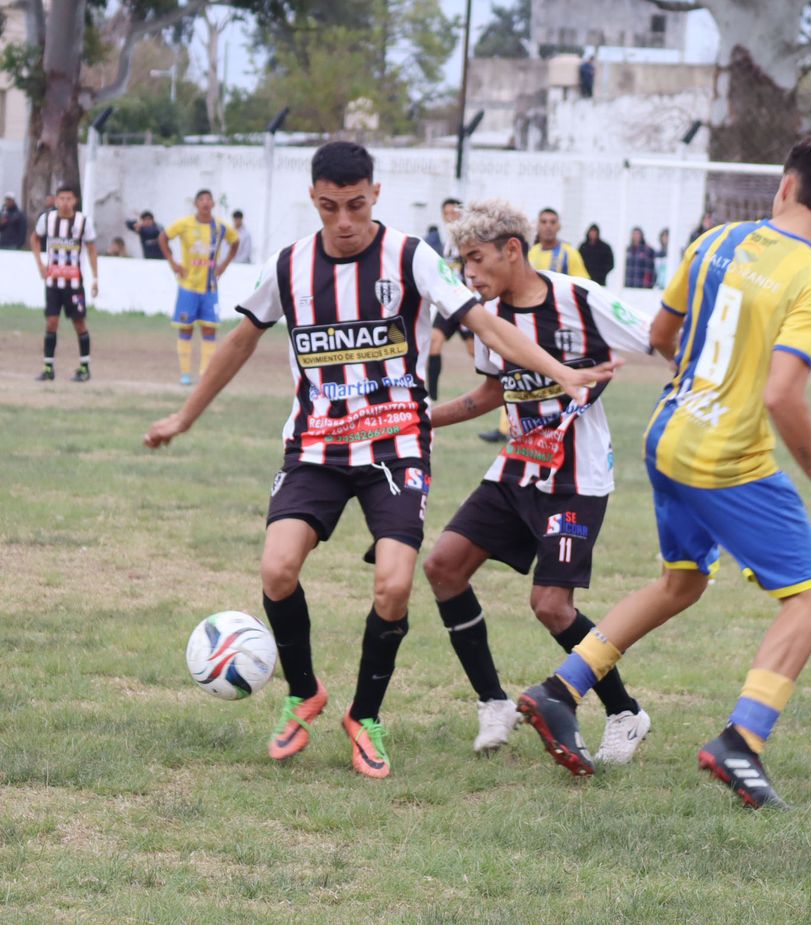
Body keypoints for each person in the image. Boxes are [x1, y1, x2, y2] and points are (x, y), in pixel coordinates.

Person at [141, 141, 616, 781]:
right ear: (314, 199)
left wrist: (561, 371)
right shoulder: (289, 267)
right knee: (277, 570)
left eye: (357, 205)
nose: (344, 220)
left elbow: (492, 327)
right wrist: (184, 416)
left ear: (376, 195)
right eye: (331, 206)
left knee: (394, 584)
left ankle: (365, 716)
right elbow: (239, 341)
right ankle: (303, 690)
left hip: (395, 444)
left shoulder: (411, 258)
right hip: (315, 444)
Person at [515, 135, 811, 809]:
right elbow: (783, 394)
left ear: (784, 185)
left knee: (680, 583)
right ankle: (744, 739)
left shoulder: (717, 240)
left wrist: (699, 386)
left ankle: (559, 691)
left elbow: (662, 333)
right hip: (726, 456)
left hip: (667, 435)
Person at [421, 198, 657, 761]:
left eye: (475, 259)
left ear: (512, 250)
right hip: (515, 468)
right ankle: (492, 702)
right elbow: (489, 395)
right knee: (443, 567)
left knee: (552, 606)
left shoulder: (581, 298)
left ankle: (625, 713)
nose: (468, 273)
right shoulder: (487, 317)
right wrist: (419, 417)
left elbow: (658, 341)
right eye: (461, 262)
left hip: (577, 478)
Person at [162, 189, 239, 386]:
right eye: (201, 200)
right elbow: (163, 237)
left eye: (208, 200)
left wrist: (223, 265)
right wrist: (173, 263)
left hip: (210, 288)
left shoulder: (220, 227)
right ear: (196, 204)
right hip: (188, 286)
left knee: (209, 330)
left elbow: (235, 241)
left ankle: (205, 375)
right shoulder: (185, 224)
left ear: (213, 204)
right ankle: (185, 374)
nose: (205, 203)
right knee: (186, 329)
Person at [30, 184, 97, 382]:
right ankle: (48, 367)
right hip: (53, 281)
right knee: (51, 322)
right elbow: (34, 239)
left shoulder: (83, 222)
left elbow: (92, 249)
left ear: (75, 201)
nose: (65, 203)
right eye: (61, 198)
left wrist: (96, 278)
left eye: (69, 199)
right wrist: (40, 263)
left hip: (74, 283)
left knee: (79, 323)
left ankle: (84, 368)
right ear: (56, 200)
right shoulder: (47, 219)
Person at [429, 197, 475, 402]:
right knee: (434, 343)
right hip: (447, 304)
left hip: (466, 303)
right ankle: (432, 396)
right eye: (447, 213)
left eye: (454, 213)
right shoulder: (442, 243)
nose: (451, 217)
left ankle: (500, 384)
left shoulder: (468, 241)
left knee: (475, 351)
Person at [529, 208, 588, 279]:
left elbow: (583, 283)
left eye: (553, 222)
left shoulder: (569, 253)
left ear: (559, 226)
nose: (548, 226)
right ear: (537, 226)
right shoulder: (530, 252)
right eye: (544, 222)